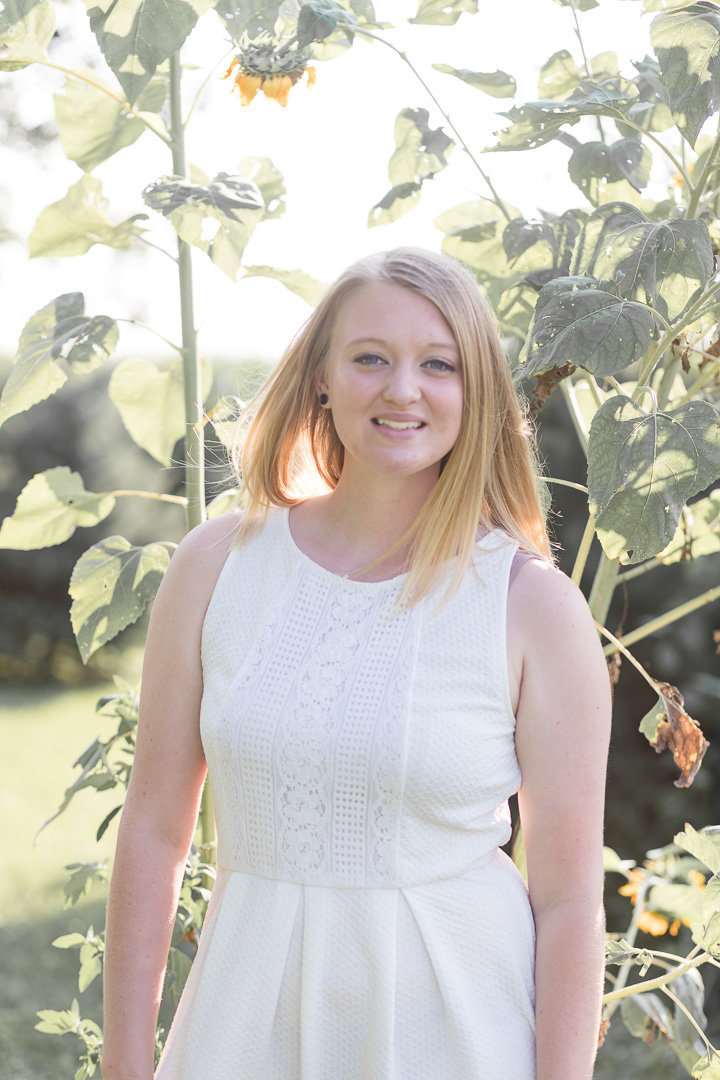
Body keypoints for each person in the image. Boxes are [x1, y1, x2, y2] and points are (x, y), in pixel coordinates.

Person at [101, 247, 612, 1080]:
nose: (402, 388)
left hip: (455, 1036)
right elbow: (155, 833)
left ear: (475, 390)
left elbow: (566, 903)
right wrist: (124, 1067)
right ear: (322, 380)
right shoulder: (216, 564)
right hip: (243, 1028)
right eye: (370, 357)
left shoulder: (532, 607)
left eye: (437, 364)